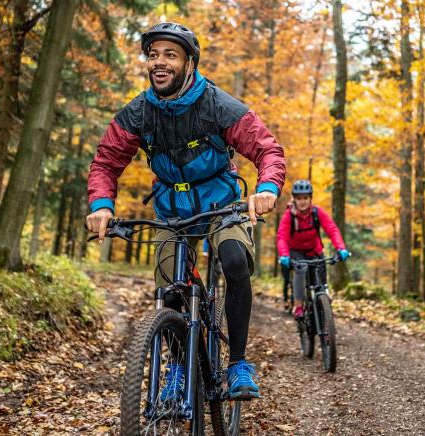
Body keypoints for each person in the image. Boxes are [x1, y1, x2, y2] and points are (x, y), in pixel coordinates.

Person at [85, 22, 284, 400]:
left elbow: (267, 150)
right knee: (169, 288)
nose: (159, 63)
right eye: (153, 55)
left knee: (234, 259)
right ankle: (177, 367)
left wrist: (267, 189)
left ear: (189, 63)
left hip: (220, 203)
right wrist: (101, 207)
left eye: (170, 55)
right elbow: (106, 162)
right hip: (171, 209)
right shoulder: (139, 112)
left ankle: (239, 363)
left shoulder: (217, 105)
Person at [276, 180, 349, 319]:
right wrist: (284, 255)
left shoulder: (317, 212)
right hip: (296, 252)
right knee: (301, 268)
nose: (302, 201)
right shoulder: (289, 216)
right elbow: (282, 237)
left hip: (314, 251)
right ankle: (298, 305)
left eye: (305, 198)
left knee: (321, 282)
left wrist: (341, 248)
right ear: (294, 199)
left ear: (310, 198)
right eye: (298, 198)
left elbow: (332, 229)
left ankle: (325, 314)